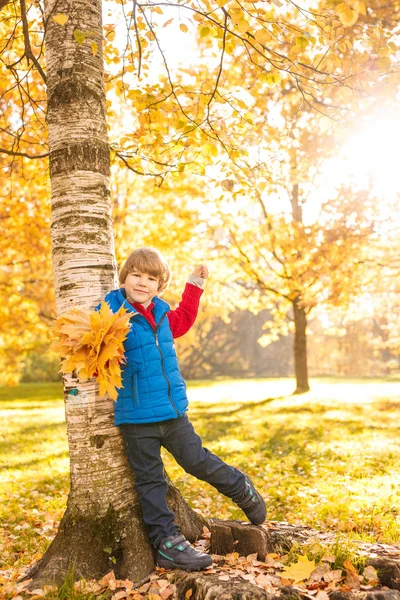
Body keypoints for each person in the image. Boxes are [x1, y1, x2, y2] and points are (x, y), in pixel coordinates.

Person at [103, 247, 266, 572]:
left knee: (197, 460)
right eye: (136, 275)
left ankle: (239, 487)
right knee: (149, 482)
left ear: (159, 285)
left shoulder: (163, 314)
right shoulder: (110, 311)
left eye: (151, 278)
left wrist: (194, 283)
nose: (142, 283)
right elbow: (93, 348)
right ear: (124, 277)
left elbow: (186, 318)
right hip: (136, 417)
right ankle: (168, 543)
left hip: (172, 411)